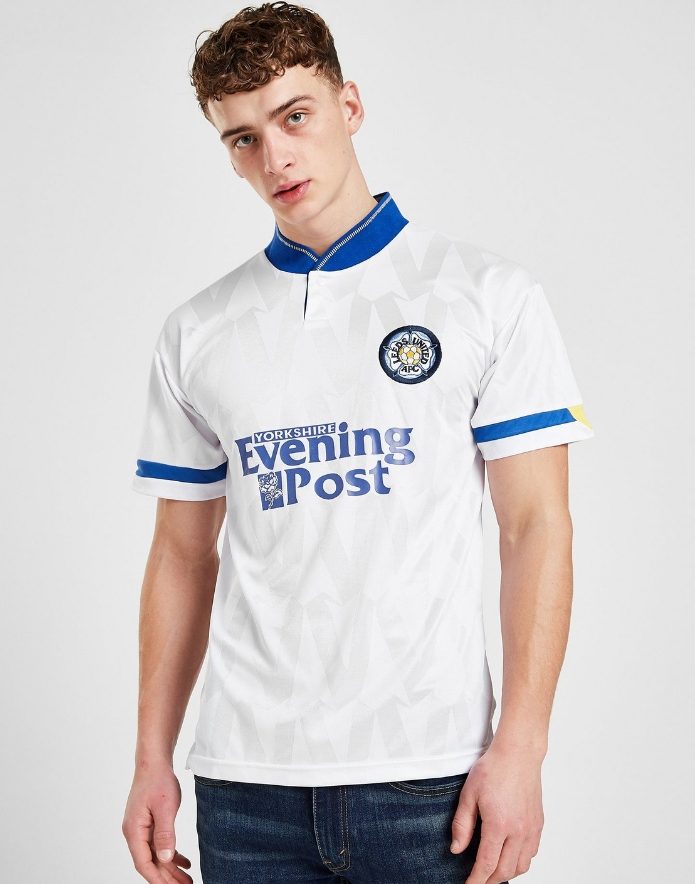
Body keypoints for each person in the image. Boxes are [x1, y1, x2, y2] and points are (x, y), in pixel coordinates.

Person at [121, 3, 595, 882]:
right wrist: (152, 756)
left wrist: (522, 746)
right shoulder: (198, 332)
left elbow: (535, 527)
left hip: (430, 779)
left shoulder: (486, 296)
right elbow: (181, 555)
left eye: (293, 116)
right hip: (244, 787)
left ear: (349, 106)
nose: (274, 157)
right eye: (243, 139)